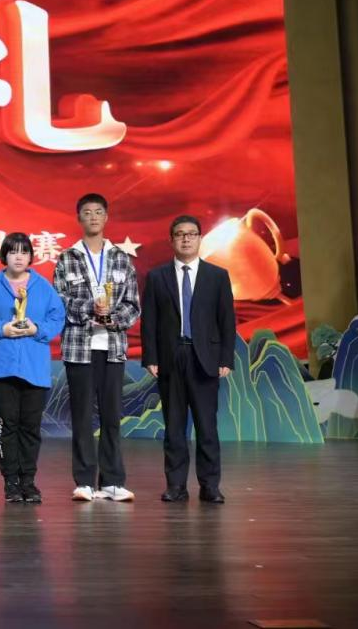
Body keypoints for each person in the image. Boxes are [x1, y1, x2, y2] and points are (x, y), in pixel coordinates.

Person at [52, 194, 141, 503]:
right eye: (87, 212)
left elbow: (133, 305)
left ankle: (113, 481)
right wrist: (90, 307)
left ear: (106, 218)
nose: (93, 217)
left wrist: (112, 319)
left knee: (112, 416)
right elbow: (58, 300)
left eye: (98, 212)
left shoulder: (121, 258)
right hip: (79, 347)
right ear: (79, 218)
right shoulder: (67, 258)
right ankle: (84, 481)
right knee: (81, 416)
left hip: (112, 347)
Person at [140, 215, 235, 504]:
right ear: (171, 240)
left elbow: (226, 321)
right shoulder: (157, 277)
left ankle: (210, 486)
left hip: (204, 357)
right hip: (170, 357)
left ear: (200, 238)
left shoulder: (217, 276)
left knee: (207, 427)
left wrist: (226, 358)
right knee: (174, 427)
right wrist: (150, 357)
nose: (186, 239)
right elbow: (149, 321)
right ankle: (176, 486)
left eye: (191, 234)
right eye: (180, 234)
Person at [0, 232, 65, 504]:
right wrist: (1, 329)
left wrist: (37, 329)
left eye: (24, 251)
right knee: (6, 426)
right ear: (4, 255)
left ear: (31, 256)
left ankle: (28, 481)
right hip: (1, 369)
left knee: (30, 427)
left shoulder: (43, 287)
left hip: (35, 369)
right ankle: (11, 481)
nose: (19, 256)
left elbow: (57, 318)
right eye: (13, 251)